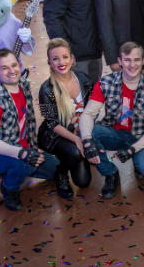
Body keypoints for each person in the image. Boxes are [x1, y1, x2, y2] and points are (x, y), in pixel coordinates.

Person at [0, 49, 60, 211]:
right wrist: (21, 153)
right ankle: (7, 186)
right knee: (24, 164)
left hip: (22, 145)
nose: (12, 71)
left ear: (20, 65)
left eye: (14, 65)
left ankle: (8, 170)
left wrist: (32, 148)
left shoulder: (22, 85)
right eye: (4, 68)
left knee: (55, 168)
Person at [78, 42, 144, 199]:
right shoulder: (105, 83)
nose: (132, 64)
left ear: (143, 61)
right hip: (114, 133)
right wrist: (87, 140)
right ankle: (110, 173)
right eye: (127, 60)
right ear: (120, 61)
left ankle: (137, 159)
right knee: (91, 131)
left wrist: (133, 149)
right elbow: (88, 114)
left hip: (141, 136)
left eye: (136, 60)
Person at [36, 38, 94, 199]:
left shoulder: (83, 79)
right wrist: (76, 139)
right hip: (56, 135)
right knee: (76, 152)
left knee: (83, 182)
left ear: (72, 59)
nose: (61, 62)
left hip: (79, 130)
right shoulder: (46, 89)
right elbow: (51, 123)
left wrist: (85, 134)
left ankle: (73, 156)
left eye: (65, 57)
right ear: (49, 62)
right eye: (55, 59)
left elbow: (92, 109)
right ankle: (60, 172)